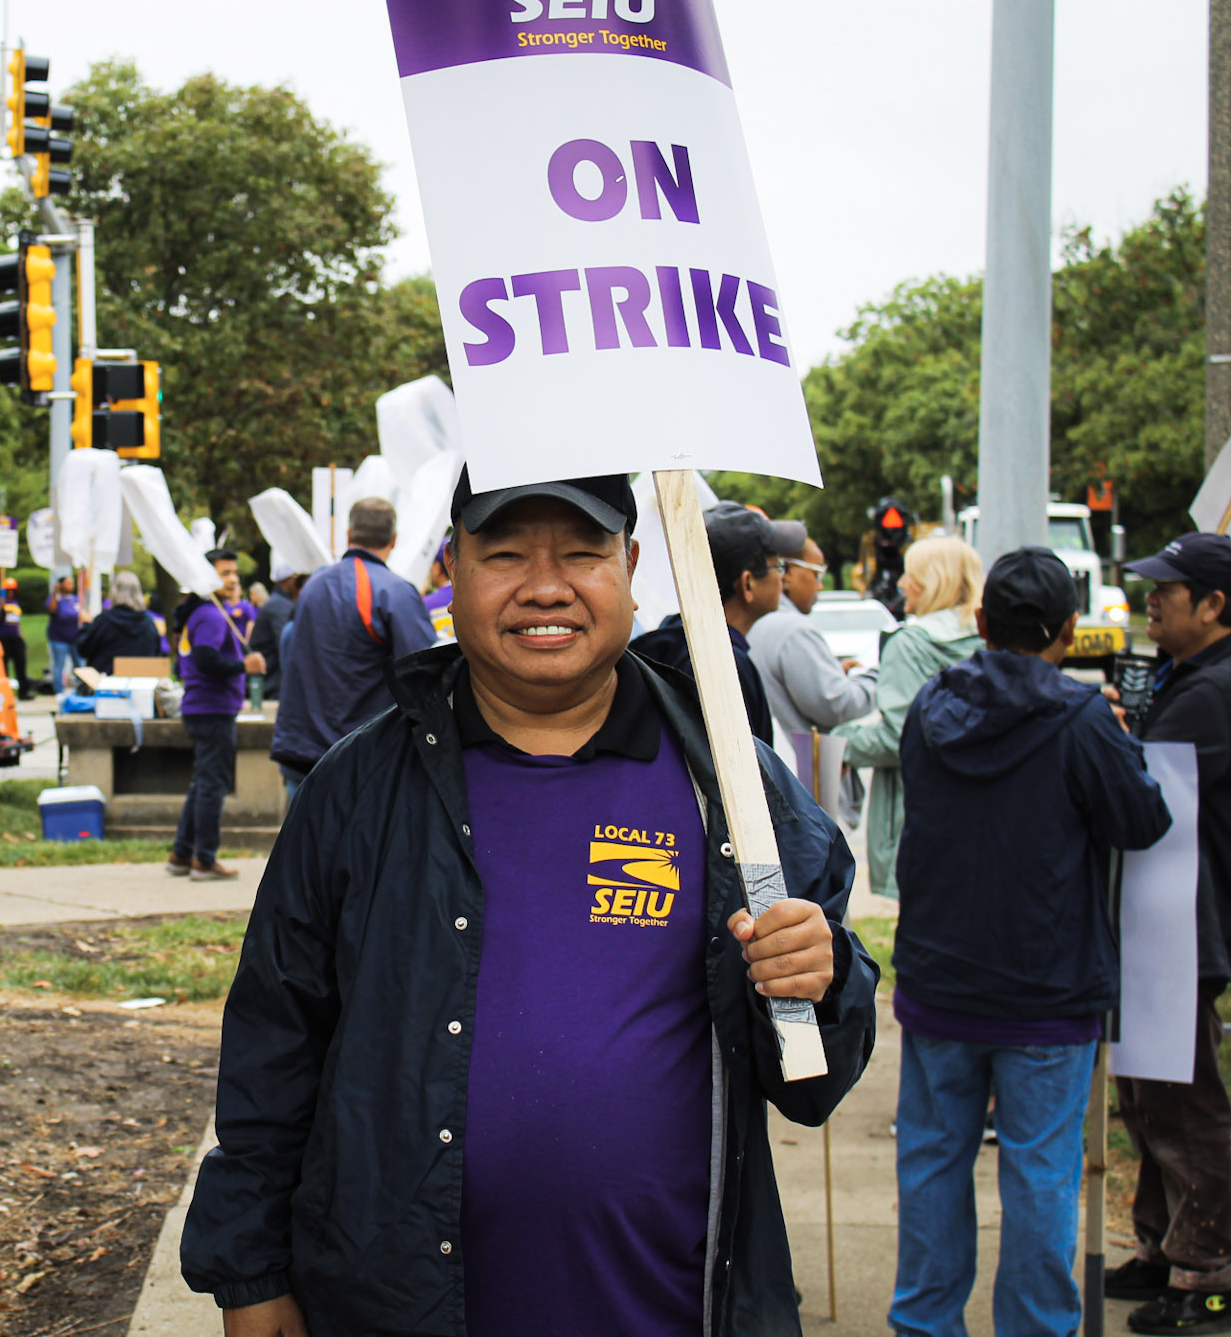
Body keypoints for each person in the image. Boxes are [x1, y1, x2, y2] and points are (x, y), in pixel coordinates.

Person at [182, 473, 877, 1335]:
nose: (545, 586)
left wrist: (827, 975)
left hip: (672, 1306)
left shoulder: (734, 787)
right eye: (504, 553)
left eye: (582, 554)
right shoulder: (358, 788)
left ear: (628, 565)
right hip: (392, 1304)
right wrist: (249, 1269)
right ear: (452, 567)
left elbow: (811, 1077)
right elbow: (274, 1036)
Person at [889, 546, 1170, 1337]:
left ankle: (925, 1323)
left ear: (981, 622)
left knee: (933, 1162)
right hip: (1046, 986)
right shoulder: (1081, 720)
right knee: (1040, 1174)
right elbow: (1140, 820)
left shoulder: (933, 707)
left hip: (940, 978)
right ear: (1069, 630)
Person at [1108, 533, 1231, 1334]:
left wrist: (1112, 740)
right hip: (1165, 921)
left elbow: (1144, 786)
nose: (1153, 599)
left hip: (1187, 924)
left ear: (1215, 604)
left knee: (1183, 1096)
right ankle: (1160, 1241)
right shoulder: (1188, 678)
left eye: (1170, 589)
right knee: (1147, 1085)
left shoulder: (1212, 691)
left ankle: (1207, 1268)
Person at [834, 535, 985, 899]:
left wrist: (839, 742)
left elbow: (900, 738)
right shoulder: (985, 639)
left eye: (909, 575)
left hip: (916, 817)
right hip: (979, 815)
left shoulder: (910, 644)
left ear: (934, 581)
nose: (900, 584)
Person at [270, 497, 438, 802]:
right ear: (394, 539)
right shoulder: (393, 591)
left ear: (348, 535)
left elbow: (287, 645)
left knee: (306, 849)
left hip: (303, 754)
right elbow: (423, 674)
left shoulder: (313, 586)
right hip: (362, 763)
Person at [629, 502, 789, 745]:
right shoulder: (723, 664)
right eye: (777, 566)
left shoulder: (675, 645)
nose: (783, 577)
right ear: (748, 584)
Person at [168, 549, 267, 882]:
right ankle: (204, 859)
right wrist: (245, 666)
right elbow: (206, 660)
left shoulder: (201, 612)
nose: (234, 579)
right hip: (212, 709)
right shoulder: (210, 615)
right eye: (225, 573)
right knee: (213, 785)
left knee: (202, 783)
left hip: (202, 708)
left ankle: (182, 853)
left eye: (234, 573)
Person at [748, 525, 876, 744]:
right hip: (800, 770)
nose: (820, 586)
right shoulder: (793, 630)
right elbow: (835, 705)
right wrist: (872, 677)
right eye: (816, 574)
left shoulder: (755, 621)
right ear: (786, 572)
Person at [74, 571, 164, 675]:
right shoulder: (149, 622)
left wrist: (85, 624)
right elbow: (156, 655)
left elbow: (84, 650)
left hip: (106, 685)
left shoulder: (104, 621)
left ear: (114, 591)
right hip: (140, 683)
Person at [252, 561, 304, 701]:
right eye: (300, 580)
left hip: (271, 683)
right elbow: (291, 648)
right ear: (292, 581)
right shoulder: (280, 606)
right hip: (271, 687)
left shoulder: (278, 603)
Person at [0, 577, 31, 696]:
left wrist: (20, 634)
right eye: (8, 590)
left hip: (16, 638)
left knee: (21, 665)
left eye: (12, 590)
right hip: (3, 638)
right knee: (3, 667)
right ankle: (4, 692)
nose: (10, 593)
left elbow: (17, 622)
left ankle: (23, 692)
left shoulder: (16, 603)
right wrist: (0, 607)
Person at [47, 574, 82, 692]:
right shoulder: (56, 599)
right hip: (59, 638)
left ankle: (81, 688)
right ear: (60, 585)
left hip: (74, 638)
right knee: (59, 665)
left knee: (79, 663)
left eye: (72, 583)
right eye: (68, 583)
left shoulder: (75, 599)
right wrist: (55, 593)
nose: (71, 585)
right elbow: (51, 610)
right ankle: (59, 691)